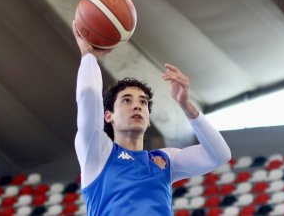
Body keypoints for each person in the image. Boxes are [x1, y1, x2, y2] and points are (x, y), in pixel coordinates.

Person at [73, 21, 231, 215]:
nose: (137, 105)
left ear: (148, 120)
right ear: (108, 116)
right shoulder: (97, 152)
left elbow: (219, 155)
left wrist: (186, 105)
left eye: (143, 102)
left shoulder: (165, 160)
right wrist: (89, 56)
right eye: (126, 100)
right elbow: (88, 97)